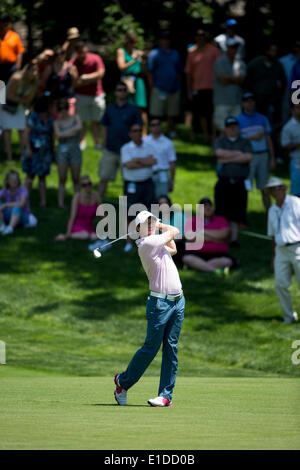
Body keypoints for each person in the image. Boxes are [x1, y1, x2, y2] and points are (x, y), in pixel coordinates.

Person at [114, 210, 185, 407]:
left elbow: (174, 248)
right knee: (151, 348)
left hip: (178, 301)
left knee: (171, 348)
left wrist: (159, 229)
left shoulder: (156, 242)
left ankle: (165, 396)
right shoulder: (146, 244)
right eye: (146, 223)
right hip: (159, 304)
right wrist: (161, 226)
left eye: (152, 221)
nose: (151, 224)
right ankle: (123, 381)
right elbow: (175, 231)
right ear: (138, 228)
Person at [98, 82, 143, 199]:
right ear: (115, 92)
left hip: (128, 151)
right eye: (119, 89)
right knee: (104, 178)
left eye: (124, 89)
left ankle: (128, 208)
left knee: (128, 181)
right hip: (110, 148)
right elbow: (105, 127)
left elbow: (140, 128)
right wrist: (103, 144)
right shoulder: (109, 108)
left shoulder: (133, 110)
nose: (122, 92)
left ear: (127, 92)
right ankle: (96, 205)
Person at [265, 177, 300, 324]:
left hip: (298, 247)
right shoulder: (272, 210)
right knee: (280, 284)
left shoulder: (296, 203)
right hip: (280, 250)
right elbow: (273, 235)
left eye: (277, 188)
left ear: (284, 188)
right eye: (272, 190)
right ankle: (288, 316)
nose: (275, 192)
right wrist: (273, 255)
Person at [214, 117, 253, 247]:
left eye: (234, 126)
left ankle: (234, 239)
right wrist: (238, 154)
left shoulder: (244, 141)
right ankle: (221, 237)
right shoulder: (220, 140)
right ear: (225, 128)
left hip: (239, 182)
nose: (232, 128)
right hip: (224, 181)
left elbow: (248, 157)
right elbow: (219, 153)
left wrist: (226, 159)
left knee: (237, 212)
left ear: (238, 127)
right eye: (229, 126)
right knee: (222, 210)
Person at [120, 123, 157, 252]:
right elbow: (128, 165)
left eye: (140, 130)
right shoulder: (126, 148)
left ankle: (148, 240)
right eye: (135, 130)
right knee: (130, 212)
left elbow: (153, 161)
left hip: (147, 183)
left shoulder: (149, 146)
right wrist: (144, 162)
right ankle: (129, 242)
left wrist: (137, 160)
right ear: (130, 133)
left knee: (149, 212)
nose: (138, 133)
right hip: (132, 184)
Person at [237, 92, 276, 210]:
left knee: (265, 188)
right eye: (247, 101)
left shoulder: (262, 118)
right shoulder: (238, 120)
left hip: (262, 155)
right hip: (247, 157)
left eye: (252, 101)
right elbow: (237, 140)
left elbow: (268, 139)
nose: (250, 103)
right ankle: (243, 215)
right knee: (245, 187)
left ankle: (269, 215)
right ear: (243, 104)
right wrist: (253, 136)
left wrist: (272, 158)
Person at [185, 28, 221, 143]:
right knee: (201, 114)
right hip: (197, 88)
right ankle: (205, 135)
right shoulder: (192, 53)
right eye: (198, 35)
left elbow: (221, 69)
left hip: (212, 87)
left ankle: (214, 135)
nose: (200, 37)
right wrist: (189, 90)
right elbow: (188, 74)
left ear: (206, 37)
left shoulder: (214, 51)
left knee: (212, 113)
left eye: (202, 35)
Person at [69, 41, 106, 150]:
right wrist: (90, 79)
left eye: (84, 52)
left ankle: (97, 142)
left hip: (97, 94)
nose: (82, 55)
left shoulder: (95, 58)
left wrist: (85, 78)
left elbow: (100, 74)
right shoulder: (73, 62)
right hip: (81, 95)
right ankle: (82, 142)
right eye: (80, 53)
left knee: (97, 120)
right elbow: (74, 82)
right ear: (76, 52)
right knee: (82, 121)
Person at [183, 198, 233, 275]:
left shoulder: (221, 220)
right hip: (196, 254)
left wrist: (201, 231)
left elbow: (224, 234)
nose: (208, 208)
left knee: (227, 261)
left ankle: (199, 267)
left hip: (219, 254)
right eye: (204, 206)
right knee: (187, 258)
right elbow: (190, 237)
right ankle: (215, 271)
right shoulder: (192, 220)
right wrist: (216, 238)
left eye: (210, 206)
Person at [147, 30, 183, 138]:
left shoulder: (175, 54)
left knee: (171, 113)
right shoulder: (154, 54)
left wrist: (179, 86)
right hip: (159, 88)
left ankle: (172, 132)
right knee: (156, 113)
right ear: (160, 41)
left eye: (167, 39)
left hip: (173, 88)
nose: (165, 42)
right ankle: (155, 133)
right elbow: (150, 72)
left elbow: (179, 71)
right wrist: (152, 86)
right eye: (163, 39)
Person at [0, 61, 39, 160]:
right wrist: (22, 100)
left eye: (36, 71)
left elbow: (29, 99)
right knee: (7, 130)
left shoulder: (35, 82)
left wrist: (20, 100)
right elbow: (9, 95)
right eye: (32, 71)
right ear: (27, 71)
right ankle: (9, 157)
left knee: (22, 130)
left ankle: (23, 155)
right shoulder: (16, 78)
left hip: (20, 107)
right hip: (6, 105)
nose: (34, 73)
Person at [246, 42, 286, 133]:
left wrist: (278, 96)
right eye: (272, 51)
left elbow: (283, 82)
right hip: (255, 100)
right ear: (266, 51)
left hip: (270, 101)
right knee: (255, 123)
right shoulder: (255, 64)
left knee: (270, 125)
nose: (273, 54)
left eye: (275, 51)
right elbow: (247, 81)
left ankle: (271, 143)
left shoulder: (278, 65)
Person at [22, 96, 54, 207]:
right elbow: (26, 134)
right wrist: (28, 149)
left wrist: (52, 150)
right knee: (30, 175)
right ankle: (24, 201)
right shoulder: (33, 117)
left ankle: (43, 201)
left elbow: (52, 135)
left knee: (42, 176)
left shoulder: (50, 119)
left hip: (45, 152)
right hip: (33, 150)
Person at [213, 38, 246, 135]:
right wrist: (236, 79)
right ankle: (221, 148)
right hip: (222, 101)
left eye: (235, 47)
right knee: (222, 128)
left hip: (236, 101)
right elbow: (222, 80)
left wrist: (229, 78)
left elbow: (242, 80)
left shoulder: (240, 62)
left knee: (236, 128)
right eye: (231, 47)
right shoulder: (219, 61)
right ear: (227, 48)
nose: (233, 50)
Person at [54, 98, 82, 208]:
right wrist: (72, 131)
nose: (63, 111)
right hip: (62, 150)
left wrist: (64, 132)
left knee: (76, 177)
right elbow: (58, 135)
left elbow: (79, 127)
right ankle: (61, 203)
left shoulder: (76, 117)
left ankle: (78, 202)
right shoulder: (57, 122)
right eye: (60, 109)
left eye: (65, 108)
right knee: (62, 177)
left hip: (75, 149)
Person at [116, 32, 147, 130]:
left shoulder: (137, 51)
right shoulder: (121, 51)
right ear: (127, 42)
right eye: (132, 42)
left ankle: (143, 133)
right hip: (126, 81)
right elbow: (121, 67)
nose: (133, 45)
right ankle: (127, 130)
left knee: (141, 107)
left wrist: (143, 60)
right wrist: (133, 60)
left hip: (138, 81)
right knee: (126, 106)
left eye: (135, 43)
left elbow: (144, 70)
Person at [55, 174, 101, 241]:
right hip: (77, 225)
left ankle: (73, 236)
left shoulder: (96, 196)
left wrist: (109, 229)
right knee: (85, 235)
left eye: (89, 184)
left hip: (89, 227)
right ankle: (67, 236)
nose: (87, 186)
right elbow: (72, 216)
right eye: (84, 185)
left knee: (95, 237)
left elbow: (102, 216)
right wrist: (67, 233)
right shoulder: (77, 197)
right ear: (81, 187)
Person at [143, 118, 176, 199]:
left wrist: (171, 181)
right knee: (147, 200)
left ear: (161, 126)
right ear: (149, 127)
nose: (155, 127)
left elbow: (172, 163)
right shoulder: (144, 141)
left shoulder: (168, 142)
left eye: (158, 124)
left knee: (162, 200)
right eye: (153, 125)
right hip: (147, 174)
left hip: (162, 174)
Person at [41, 45, 78, 117]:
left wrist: (73, 76)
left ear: (65, 54)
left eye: (62, 53)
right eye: (57, 54)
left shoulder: (71, 67)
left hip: (68, 99)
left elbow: (76, 83)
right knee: (55, 121)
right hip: (54, 100)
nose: (59, 56)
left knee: (69, 119)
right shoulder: (49, 68)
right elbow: (43, 83)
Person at [0, 170, 31, 235]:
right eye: (12, 178)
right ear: (7, 180)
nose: (14, 180)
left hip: (23, 217)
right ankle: (1, 225)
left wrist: (5, 205)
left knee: (16, 208)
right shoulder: (5, 190)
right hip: (8, 215)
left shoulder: (23, 190)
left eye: (16, 178)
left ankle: (10, 228)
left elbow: (21, 204)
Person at [281, 103, 300, 197]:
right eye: (298, 107)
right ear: (292, 110)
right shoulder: (288, 127)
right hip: (297, 162)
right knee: (297, 192)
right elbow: (285, 145)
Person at [279, 40, 300, 125]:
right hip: (294, 95)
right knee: (291, 116)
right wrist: (295, 101)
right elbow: (293, 84)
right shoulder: (296, 66)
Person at [0, 15, 24, 84]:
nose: (5, 25)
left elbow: (19, 52)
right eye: (3, 23)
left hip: (11, 67)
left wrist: (18, 67)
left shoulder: (15, 36)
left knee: (10, 87)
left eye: (7, 23)